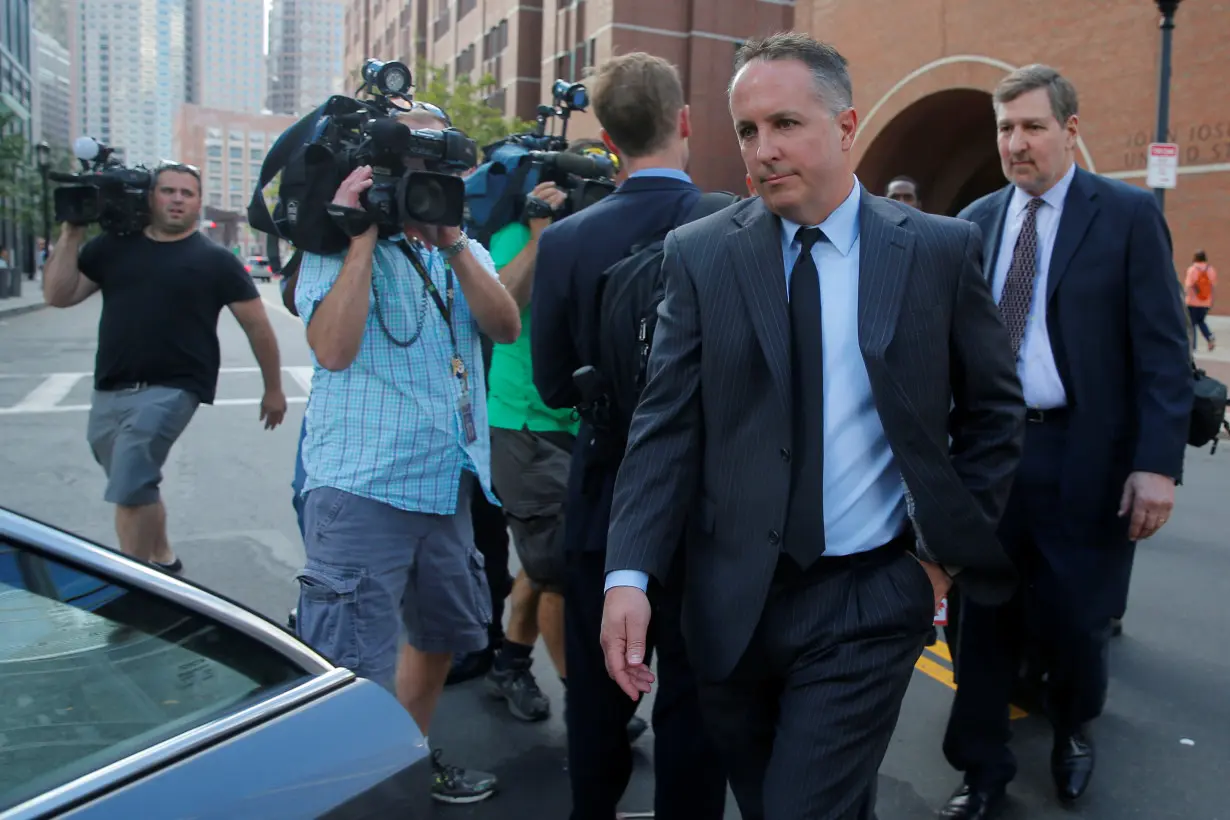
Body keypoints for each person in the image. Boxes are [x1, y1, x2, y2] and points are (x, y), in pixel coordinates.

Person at [599, 33, 1025, 820]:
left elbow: (995, 413)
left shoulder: (935, 250)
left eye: (786, 124)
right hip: (730, 608)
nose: (764, 150)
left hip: (868, 598)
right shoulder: (700, 256)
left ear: (846, 125)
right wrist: (629, 575)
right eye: (749, 131)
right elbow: (663, 428)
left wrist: (934, 564)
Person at [939, 65, 1193, 819]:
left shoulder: (1125, 215)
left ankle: (1072, 728)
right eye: (1006, 128)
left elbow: (1161, 353)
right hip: (989, 456)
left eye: (1033, 126)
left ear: (1069, 130)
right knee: (979, 622)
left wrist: (1156, 466)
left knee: (1076, 621)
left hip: (1083, 455)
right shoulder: (976, 221)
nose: (1017, 143)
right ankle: (980, 769)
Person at [292, 105, 521, 805]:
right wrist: (361, 240)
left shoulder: (463, 246)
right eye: (409, 160)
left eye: (435, 161)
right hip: (361, 488)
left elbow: (505, 325)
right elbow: (332, 349)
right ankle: (344, 793)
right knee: (351, 663)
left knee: (443, 633)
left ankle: (403, 760)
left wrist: (450, 240)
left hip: (445, 485)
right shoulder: (331, 246)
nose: (423, 176)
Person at [531, 52, 727, 820]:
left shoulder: (570, 240)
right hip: (705, 497)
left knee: (599, 677)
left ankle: (594, 809)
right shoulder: (729, 221)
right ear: (684, 123)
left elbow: (552, 384)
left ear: (607, 139)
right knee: (696, 683)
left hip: (606, 489)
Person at [42, 163, 286, 570]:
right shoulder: (113, 248)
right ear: (151, 197)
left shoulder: (215, 260)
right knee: (135, 482)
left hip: (176, 387)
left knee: (130, 484)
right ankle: (163, 556)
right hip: (111, 387)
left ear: (197, 202)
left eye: (186, 193)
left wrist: (273, 389)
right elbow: (59, 295)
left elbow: (258, 327)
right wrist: (72, 231)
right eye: (168, 191)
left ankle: (133, 588)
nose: (177, 199)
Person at [1185, 249, 1217, 351]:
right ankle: (1209, 337)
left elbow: (1188, 285)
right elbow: (1212, 285)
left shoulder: (1192, 269)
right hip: (1206, 302)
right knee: (1201, 321)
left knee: (1191, 323)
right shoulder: (1210, 270)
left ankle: (1192, 346)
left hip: (1192, 302)